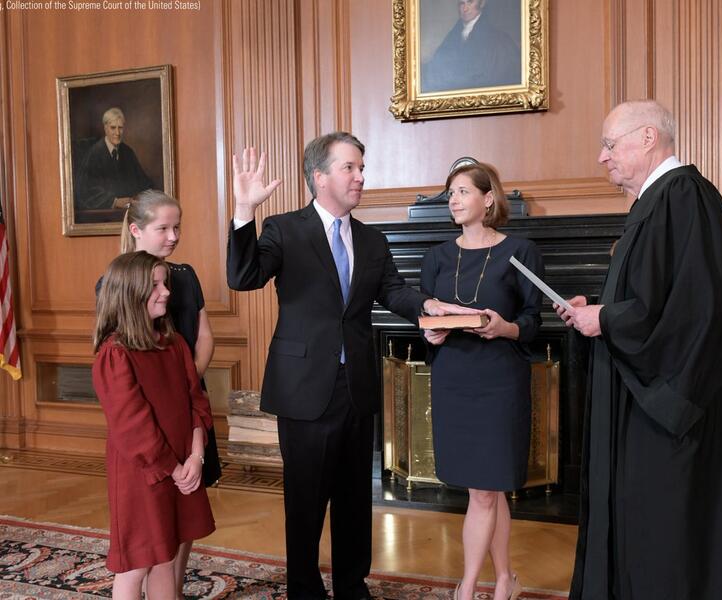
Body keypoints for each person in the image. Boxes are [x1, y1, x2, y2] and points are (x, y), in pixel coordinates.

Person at [226, 132, 475, 600]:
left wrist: (428, 306)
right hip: (303, 387)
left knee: (354, 498)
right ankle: (303, 588)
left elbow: (393, 291)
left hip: (356, 385)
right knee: (305, 499)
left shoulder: (371, 238)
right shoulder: (283, 229)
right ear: (319, 176)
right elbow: (243, 277)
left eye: (362, 167)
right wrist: (244, 214)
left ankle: (351, 585)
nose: (361, 176)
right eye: (351, 168)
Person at [556, 100, 722, 599]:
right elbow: (650, 296)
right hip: (643, 398)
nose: (602, 157)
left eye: (610, 144)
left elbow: (691, 311)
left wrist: (605, 318)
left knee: (664, 530)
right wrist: (600, 306)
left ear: (647, 138)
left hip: (669, 409)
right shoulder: (657, 201)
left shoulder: (684, 197)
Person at [420, 162, 542, 600]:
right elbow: (430, 321)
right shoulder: (435, 257)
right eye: (450, 193)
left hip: (499, 380)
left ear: (489, 199)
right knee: (487, 489)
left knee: (486, 492)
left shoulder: (520, 251)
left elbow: (534, 320)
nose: (453, 200)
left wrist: (503, 327)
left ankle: (468, 588)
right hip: (453, 377)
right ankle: (505, 579)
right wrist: (431, 332)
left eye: (462, 191)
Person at [95, 189, 222, 598]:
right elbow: (133, 425)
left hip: (184, 463)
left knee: (167, 557)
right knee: (138, 563)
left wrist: (195, 456)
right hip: (146, 473)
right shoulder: (115, 354)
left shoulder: (173, 343)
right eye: (156, 286)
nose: (167, 293)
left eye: (165, 284)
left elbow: (195, 400)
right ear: (131, 293)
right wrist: (174, 466)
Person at [421, 0, 521, 93]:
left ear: (481, 3)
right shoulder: (452, 36)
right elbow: (436, 69)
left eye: (470, 2)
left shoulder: (499, 40)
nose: (465, 9)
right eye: (461, 3)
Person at [75, 107, 153, 212]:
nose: (117, 133)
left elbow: (143, 183)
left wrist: (140, 197)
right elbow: (85, 191)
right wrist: (115, 201)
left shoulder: (127, 152)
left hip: (129, 213)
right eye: (113, 128)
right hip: (103, 216)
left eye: (120, 128)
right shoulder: (95, 153)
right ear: (105, 128)